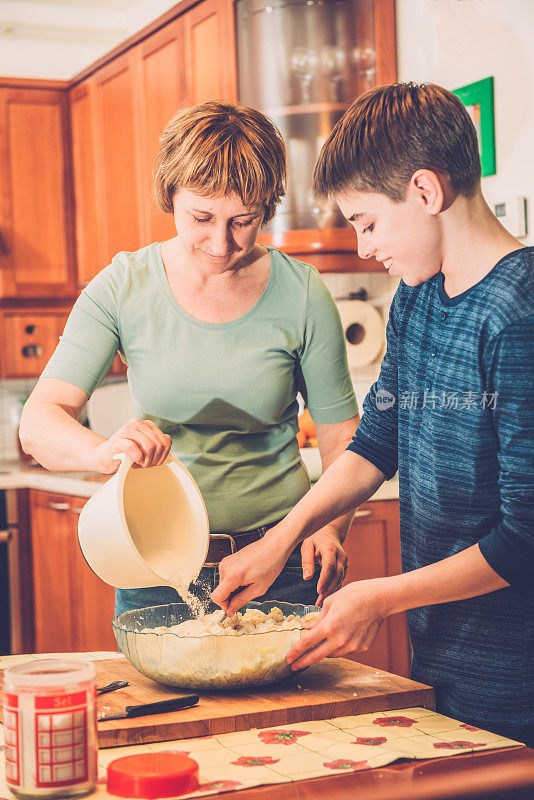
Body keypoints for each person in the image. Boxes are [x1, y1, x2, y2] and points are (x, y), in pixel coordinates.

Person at [211, 83, 534, 746]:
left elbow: (525, 541)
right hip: (444, 670)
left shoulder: (518, 318)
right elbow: (374, 445)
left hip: (519, 686)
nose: (362, 247)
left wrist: (380, 597)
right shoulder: (416, 299)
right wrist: (279, 541)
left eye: (367, 221)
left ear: (425, 191)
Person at [19, 101, 358, 616]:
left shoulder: (303, 293)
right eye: (201, 217)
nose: (221, 244)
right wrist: (102, 451)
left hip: (279, 559)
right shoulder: (122, 287)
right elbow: (39, 423)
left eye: (243, 222)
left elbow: (340, 435)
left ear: (266, 210)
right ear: (169, 195)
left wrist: (331, 527)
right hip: (152, 558)